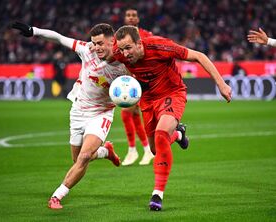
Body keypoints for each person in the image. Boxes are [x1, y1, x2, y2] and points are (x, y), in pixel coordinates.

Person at [12, 22, 129, 209]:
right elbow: (59, 38)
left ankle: (56, 196)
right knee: (78, 160)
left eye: (100, 43)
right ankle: (106, 152)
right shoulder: (87, 50)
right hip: (78, 111)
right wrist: (35, 31)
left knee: (83, 158)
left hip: (101, 113)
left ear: (112, 41)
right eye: (94, 43)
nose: (96, 47)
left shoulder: (125, 62)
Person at [114, 25, 232, 211]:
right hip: (147, 100)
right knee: (154, 149)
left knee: (161, 135)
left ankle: (157, 194)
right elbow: (101, 53)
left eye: (128, 48)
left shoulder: (161, 47)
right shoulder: (119, 53)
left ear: (139, 43)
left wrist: (221, 84)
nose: (124, 53)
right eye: (121, 49)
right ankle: (178, 135)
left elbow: (199, 56)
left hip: (171, 93)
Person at [120, 7, 154, 166]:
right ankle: (143, 150)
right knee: (131, 113)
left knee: (127, 111)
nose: (131, 17)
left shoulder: (147, 35)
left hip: (145, 80)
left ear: (138, 19)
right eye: (128, 15)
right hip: (129, 80)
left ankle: (135, 149)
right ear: (125, 18)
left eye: (134, 15)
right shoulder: (119, 37)